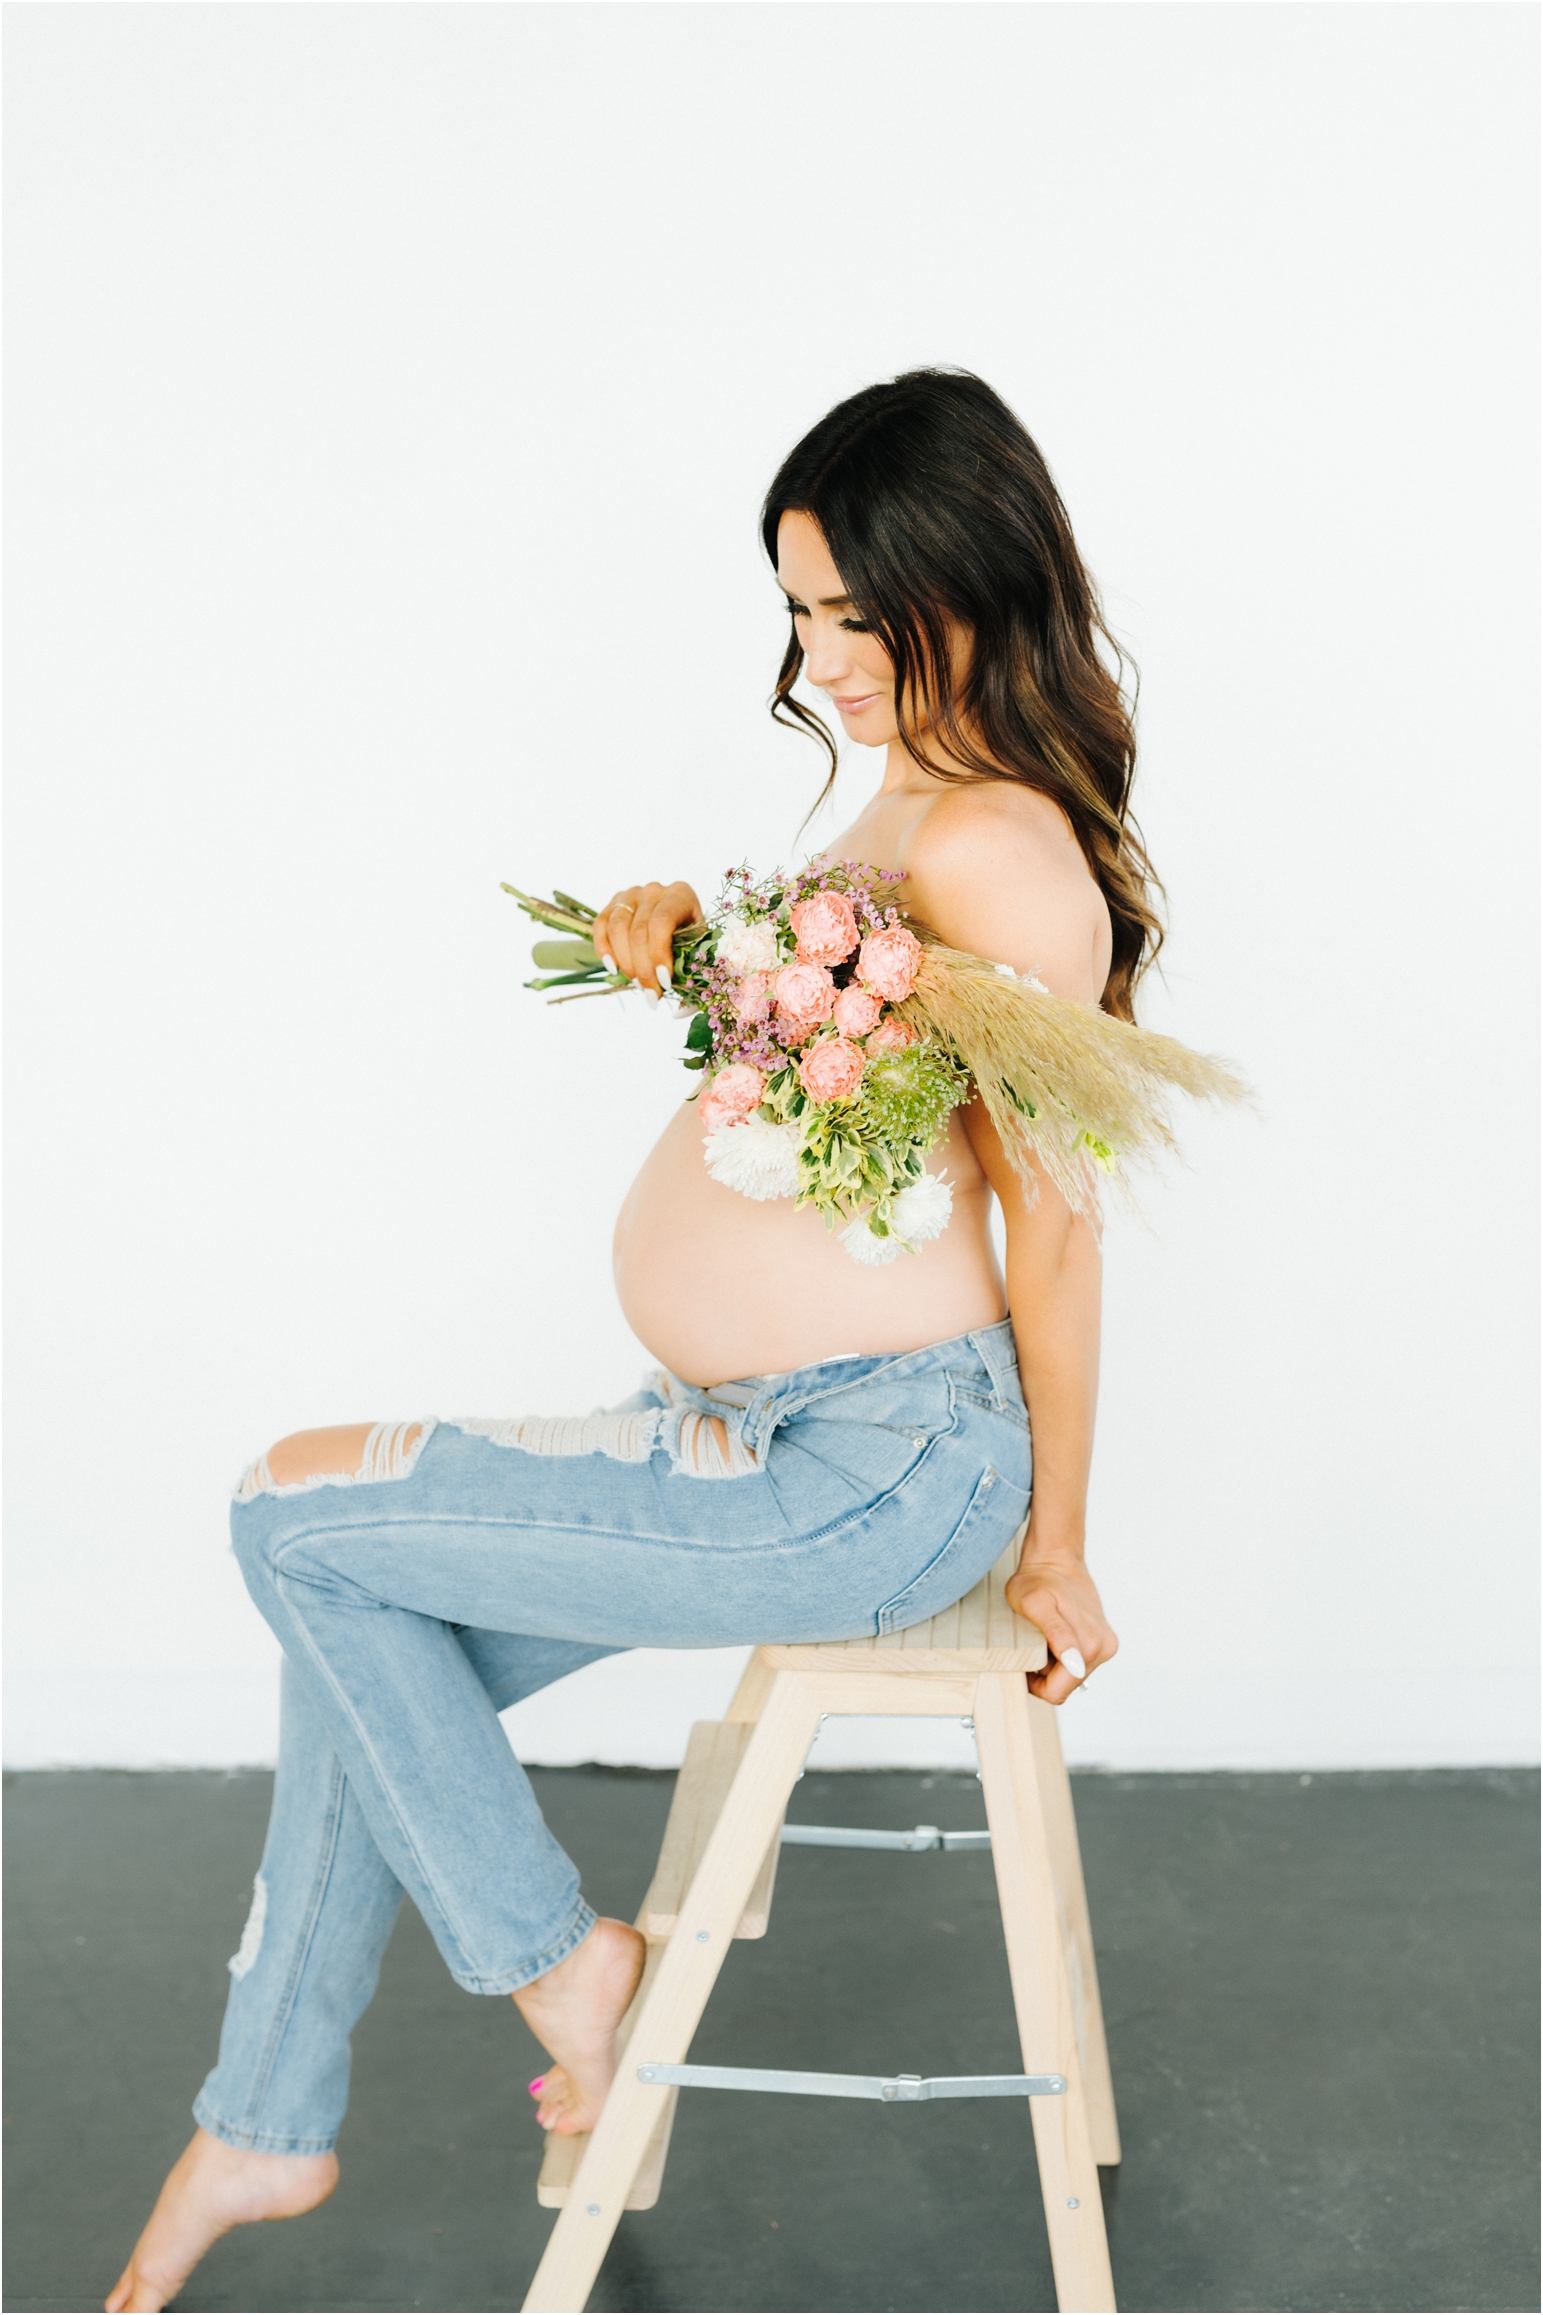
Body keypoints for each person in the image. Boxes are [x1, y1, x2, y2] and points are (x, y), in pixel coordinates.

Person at [108, 368, 1157, 2313]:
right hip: (756, 1432)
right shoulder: (906, 799)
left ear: (972, 584)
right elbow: (843, 1081)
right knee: (362, 1634)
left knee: (290, 1520)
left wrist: (1059, 1539)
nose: (819, 657)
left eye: (857, 612)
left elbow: (1058, 1225)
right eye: (799, 612)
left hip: (866, 1472)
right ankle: (265, 2121)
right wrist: (697, 955)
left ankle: (568, 1970)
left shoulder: (999, 847)